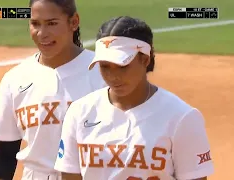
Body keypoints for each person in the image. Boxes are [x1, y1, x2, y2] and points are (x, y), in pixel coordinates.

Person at [54, 16, 214, 180]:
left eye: (123, 66)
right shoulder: (80, 112)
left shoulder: (182, 117)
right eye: (104, 66)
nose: (113, 76)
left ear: (145, 59)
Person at [0, 0, 106, 179]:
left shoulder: (103, 72)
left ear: (73, 22)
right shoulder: (15, 79)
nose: (42, 33)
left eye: (52, 23)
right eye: (35, 24)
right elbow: (4, 152)